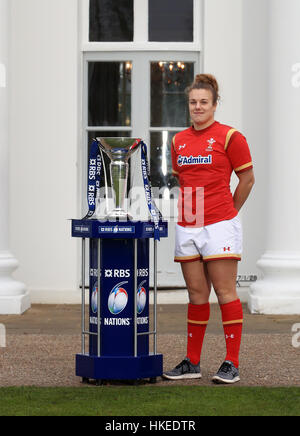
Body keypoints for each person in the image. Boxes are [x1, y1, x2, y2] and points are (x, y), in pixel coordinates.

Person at [162, 74, 255, 384]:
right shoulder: (178, 141)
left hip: (219, 225)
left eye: (204, 102)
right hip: (188, 225)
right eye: (193, 102)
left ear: (215, 104)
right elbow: (183, 180)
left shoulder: (231, 137)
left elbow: (247, 179)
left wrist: (228, 213)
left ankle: (232, 362)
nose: (198, 107)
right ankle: (193, 362)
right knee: (196, 293)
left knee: (224, 291)